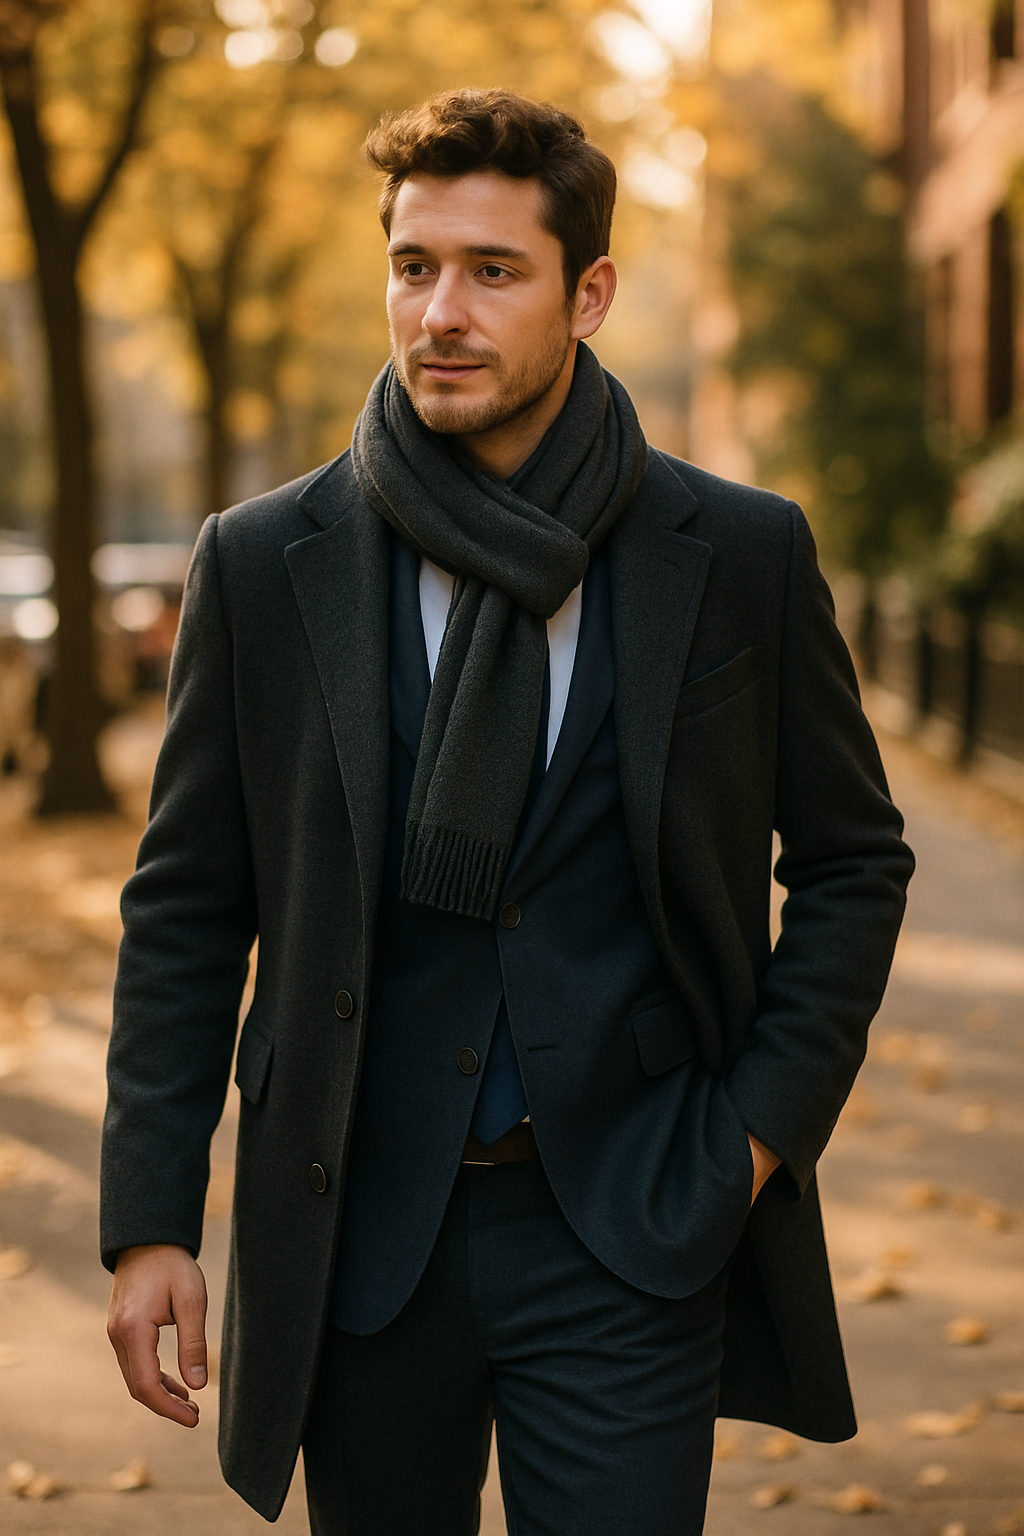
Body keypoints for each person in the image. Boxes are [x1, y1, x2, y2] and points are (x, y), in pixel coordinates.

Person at [102, 88, 914, 1536]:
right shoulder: (264, 562)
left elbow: (855, 861)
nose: (441, 314)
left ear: (588, 293)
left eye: (493, 270)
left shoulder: (734, 553)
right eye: (415, 267)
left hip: (631, 1219)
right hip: (358, 1226)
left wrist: (752, 1143)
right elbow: (186, 905)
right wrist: (151, 1213)